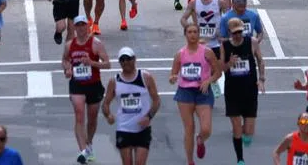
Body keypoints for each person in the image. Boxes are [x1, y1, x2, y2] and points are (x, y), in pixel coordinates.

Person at [171, 22, 222, 164]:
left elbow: (218, 72)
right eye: (190, 32)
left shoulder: (207, 52)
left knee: (206, 129)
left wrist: (209, 81)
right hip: (185, 93)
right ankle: (190, 161)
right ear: (185, 35)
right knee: (189, 129)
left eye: (195, 32)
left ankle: (201, 139)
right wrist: (173, 78)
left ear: (199, 34)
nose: (192, 35)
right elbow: (173, 74)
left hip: (202, 91)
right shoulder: (180, 54)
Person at [101, 46, 160, 165]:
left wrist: (149, 117)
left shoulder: (145, 77)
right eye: (122, 60)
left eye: (128, 59)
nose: (125, 62)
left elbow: (156, 101)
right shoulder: (114, 81)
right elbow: (105, 103)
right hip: (124, 129)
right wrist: (108, 115)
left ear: (134, 59)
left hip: (142, 129)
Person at [65, 15, 111, 164]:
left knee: (92, 118)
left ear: (88, 26)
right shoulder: (69, 45)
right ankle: (83, 150)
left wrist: (91, 62)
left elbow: (107, 64)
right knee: (79, 115)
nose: (81, 28)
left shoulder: (96, 44)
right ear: (75, 28)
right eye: (78, 25)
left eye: (83, 25)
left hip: (93, 84)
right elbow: (65, 60)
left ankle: (89, 143)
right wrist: (67, 69)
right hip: (77, 84)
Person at [222, 16, 265, 165]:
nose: (238, 35)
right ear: (229, 32)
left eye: (240, 32)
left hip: (249, 89)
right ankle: (240, 159)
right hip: (232, 90)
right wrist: (229, 63)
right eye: (234, 33)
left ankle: (244, 133)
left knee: (248, 130)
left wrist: (261, 79)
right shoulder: (225, 46)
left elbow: (260, 60)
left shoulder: (251, 42)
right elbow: (221, 68)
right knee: (236, 127)